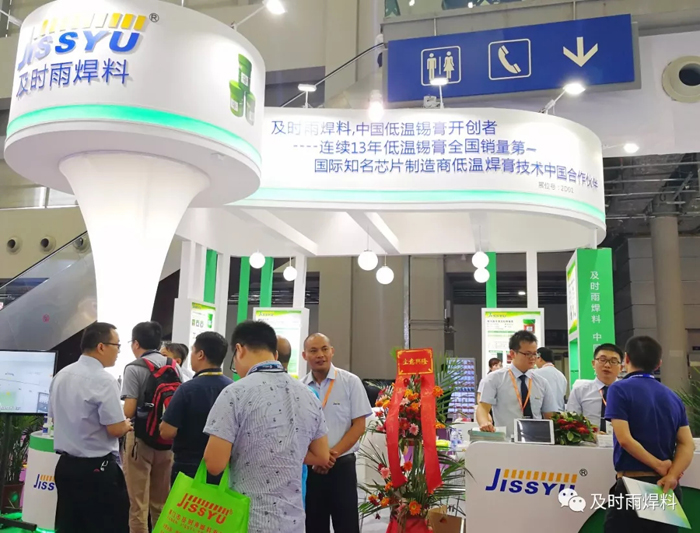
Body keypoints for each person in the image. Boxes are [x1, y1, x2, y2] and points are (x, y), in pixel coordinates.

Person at [203, 321, 330, 533]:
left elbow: (214, 464)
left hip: (248, 521)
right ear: (275, 355)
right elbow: (322, 456)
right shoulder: (307, 394)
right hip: (294, 522)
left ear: (239, 350)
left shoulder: (235, 393)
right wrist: (283, 452)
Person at [604, 336, 694, 533]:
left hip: (635, 484)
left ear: (626, 359)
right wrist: (672, 475)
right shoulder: (672, 396)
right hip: (666, 487)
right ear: (658, 364)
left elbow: (625, 439)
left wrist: (658, 465)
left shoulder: (618, 389)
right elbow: (687, 444)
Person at [49, 322, 131, 533]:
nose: (118, 351)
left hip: (65, 467)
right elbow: (114, 429)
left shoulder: (61, 375)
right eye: (117, 345)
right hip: (96, 470)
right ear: (101, 347)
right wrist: (126, 425)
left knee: (69, 526)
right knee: (107, 525)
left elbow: (55, 419)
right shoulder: (104, 380)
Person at [302, 333, 373, 533]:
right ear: (304, 355)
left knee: (346, 525)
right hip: (312, 470)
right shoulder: (300, 388)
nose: (320, 355)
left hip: (342, 466)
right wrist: (318, 458)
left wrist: (330, 456)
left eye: (324, 349)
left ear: (332, 351)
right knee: (313, 525)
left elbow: (358, 425)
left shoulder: (350, 382)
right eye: (313, 350)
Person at [121, 321, 180, 533]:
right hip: (166, 440)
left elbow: (129, 410)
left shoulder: (134, 368)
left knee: (138, 504)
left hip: (140, 440)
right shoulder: (173, 365)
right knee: (161, 502)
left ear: (136, 343)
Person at [160, 332, 233, 485]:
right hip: (224, 469)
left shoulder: (187, 389)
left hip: (188, 469)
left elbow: (167, 431)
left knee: (185, 502)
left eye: (193, 351)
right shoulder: (233, 388)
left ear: (200, 354)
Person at [476, 331, 558, 438]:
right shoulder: (494, 379)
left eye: (535, 354)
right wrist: (484, 423)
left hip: (536, 441)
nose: (533, 358)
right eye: (527, 354)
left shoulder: (542, 382)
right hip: (506, 441)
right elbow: (483, 408)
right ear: (512, 354)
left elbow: (550, 416)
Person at [566, 343, 624, 432]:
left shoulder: (627, 392)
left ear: (621, 367)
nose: (607, 365)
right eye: (602, 360)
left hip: (620, 439)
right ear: (593, 363)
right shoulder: (580, 390)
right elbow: (572, 421)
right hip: (589, 440)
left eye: (613, 361)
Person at [534, 347, 568, 412]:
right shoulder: (561, 376)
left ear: (539, 358)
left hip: (544, 414)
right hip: (559, 414)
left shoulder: (536, 374)